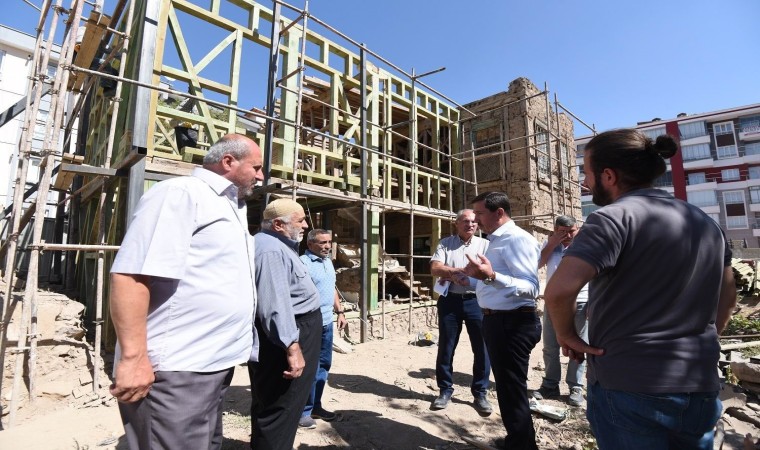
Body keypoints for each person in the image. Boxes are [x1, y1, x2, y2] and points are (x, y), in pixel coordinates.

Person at [544, 129, 737, 450]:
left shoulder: (610, 219)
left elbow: (558, 292)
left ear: (609, 176)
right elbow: (727, 298)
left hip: (630, 387)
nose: (584, 183)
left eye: (587, 173)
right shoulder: (707, 224)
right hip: (699, 385)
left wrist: (567, 336)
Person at [109, 134, 264, 449]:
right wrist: (134, 358)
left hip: (213, 363)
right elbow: (132, 274)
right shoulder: (181, 194)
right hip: (177, 368)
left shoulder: (230, 205)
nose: (261, 177)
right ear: (228, 162)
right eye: (257, 167)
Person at [463, 191, 542, 450]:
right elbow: (494, 283)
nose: (476, 220)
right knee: (508, 389)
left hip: (512, 324)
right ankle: (518, 441)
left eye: (480, 213)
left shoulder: (516, 239)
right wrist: (470, 279)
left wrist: (492, 275)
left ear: (499, 212)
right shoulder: (495, 240)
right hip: (498, 322)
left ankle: (521, 446)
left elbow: (531, 288)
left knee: (511, 390)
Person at [250, 198, 321, 450]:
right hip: (290, 332)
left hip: (297, 327)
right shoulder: (270, 249)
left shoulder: (277, 245)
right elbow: (275, 304)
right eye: (300, 220)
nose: (305, 225)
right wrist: (291, 345)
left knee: (279, 401)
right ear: (278, 224)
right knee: (282, 403)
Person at [429, 209, 492, 415]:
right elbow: (435, 268)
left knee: (482, 348)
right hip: (450, 301)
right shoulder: (445, 244)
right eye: (465, 221)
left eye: (474, 221)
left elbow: (491, 272)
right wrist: (457, 272)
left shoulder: (486, 245)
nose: (470, 225)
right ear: (456, 223)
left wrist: (453, 272)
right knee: (446, 347)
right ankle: (445, 390)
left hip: (477, 301)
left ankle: (480, 392)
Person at [534, 215, 588, 407]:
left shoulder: (586, 246)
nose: (568, 235)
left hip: (580, 302)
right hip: (554, 303)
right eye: (562, 232)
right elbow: (537, 264)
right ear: (555, 231)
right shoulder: (550, 246)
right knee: (550, 345)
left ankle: (575, 387)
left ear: (578, 229)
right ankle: (550, 384)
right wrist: (552, 243)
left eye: (571, 231)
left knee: (578, 345)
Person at [298, 229, 348, 429]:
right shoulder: (303, 263)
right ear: (310, 244)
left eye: (329, 242)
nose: (327, 246)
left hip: (327, 322)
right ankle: (303, 411)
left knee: (324, 365)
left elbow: (331, 287)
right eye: (322, 242)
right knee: (309, 368)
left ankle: (316, 406)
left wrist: (340, 311)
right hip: (310, 323)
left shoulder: (327, 261)